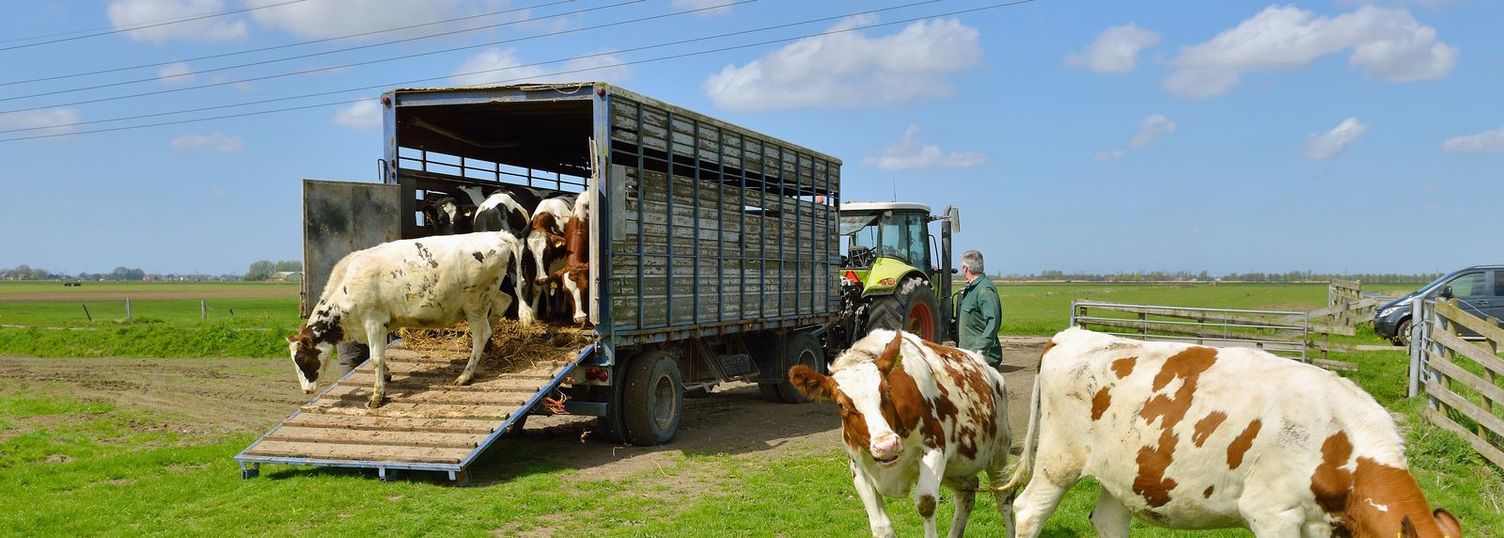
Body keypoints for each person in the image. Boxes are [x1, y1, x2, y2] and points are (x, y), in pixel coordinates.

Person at [957, 250, 1002, 369]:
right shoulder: (972, 289)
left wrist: (979, 349)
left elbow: (993, 322)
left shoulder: (984, 290)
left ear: (965, 269)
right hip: (970, 357)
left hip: (983, 359)